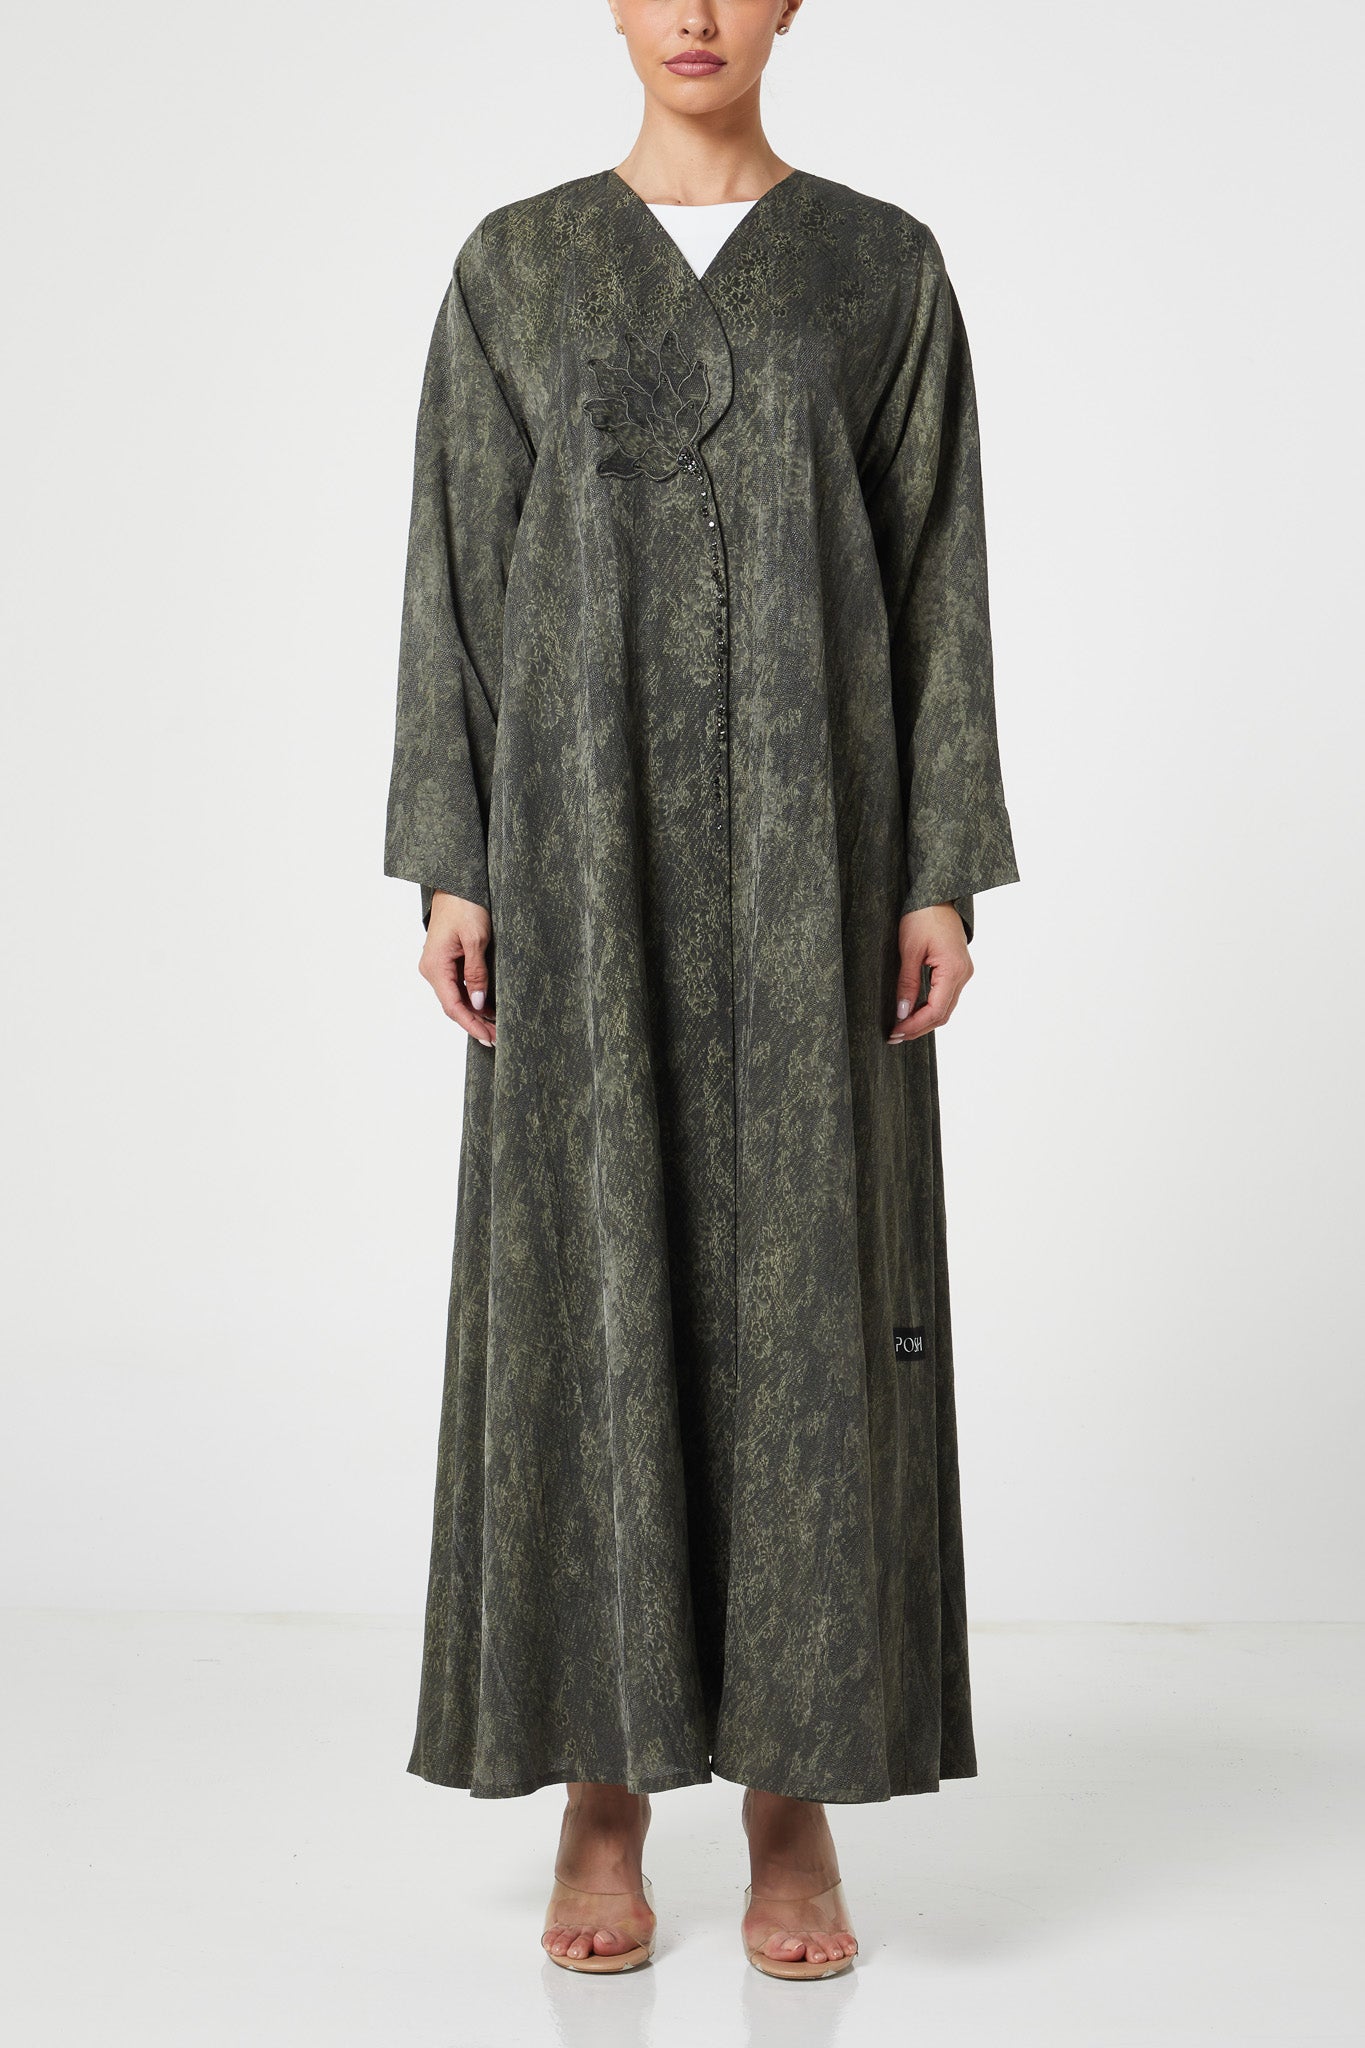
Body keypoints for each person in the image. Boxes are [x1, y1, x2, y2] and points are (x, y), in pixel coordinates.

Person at [383, 0, 1018, 1982]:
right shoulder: (518, 268)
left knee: (811, 1303)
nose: (692, 14)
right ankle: (600, 1785)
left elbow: (935, 575)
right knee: (594, 1288)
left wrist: (934, 863)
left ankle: (793, 1796)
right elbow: (453, 568)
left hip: (821, 862)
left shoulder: (878, 268)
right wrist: (455, 855)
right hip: (580, 864)